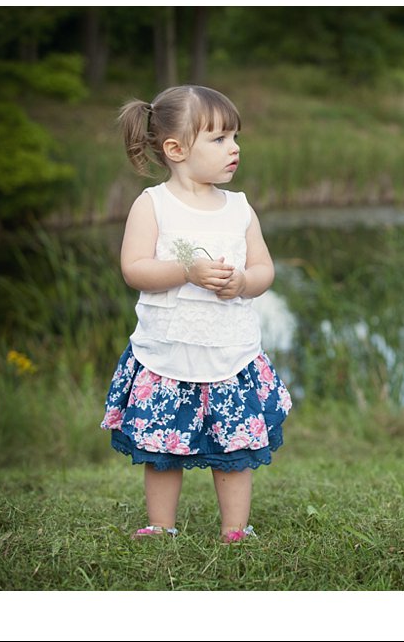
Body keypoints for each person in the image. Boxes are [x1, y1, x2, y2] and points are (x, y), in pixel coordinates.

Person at [100, 85, 290, 543]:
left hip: (230, 353)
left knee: (235, 449)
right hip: (167, 353)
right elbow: (134, 268)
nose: (235, 148)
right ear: (176, 149)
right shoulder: (153, 205)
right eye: (220, 139)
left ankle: (235, 530)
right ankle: (160, 525)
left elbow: (264, 268)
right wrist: (186, 270)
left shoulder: (239, 208)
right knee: (163, 447)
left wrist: (244, 283)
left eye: (235, 137)